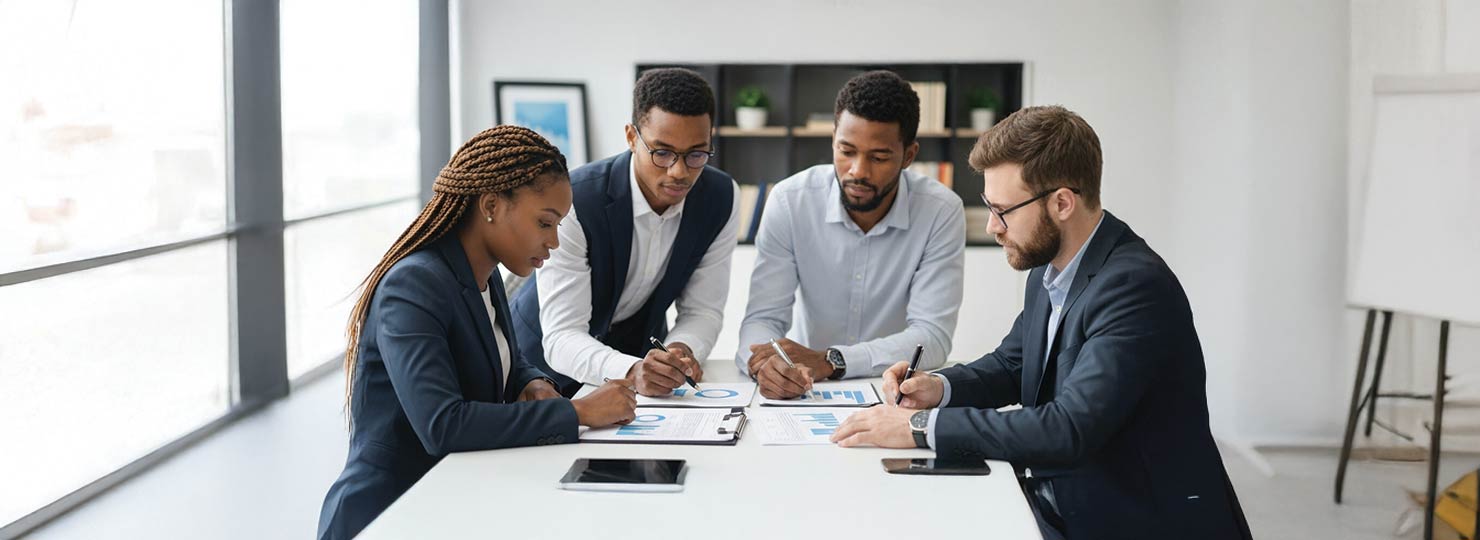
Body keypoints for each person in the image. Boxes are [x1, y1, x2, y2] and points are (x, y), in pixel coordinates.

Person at [830, 106, 1252, 540]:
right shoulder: (1050, 269)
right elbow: (1013, 365)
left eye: (1003, 210)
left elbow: (1069, 428)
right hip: (1064, 499)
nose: (993, 226)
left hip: (1138, 519)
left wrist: (919, 428)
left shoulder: (1134, 286)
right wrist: (937, 388)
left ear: (1062, 203)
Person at [318, 126, 637, 540]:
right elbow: (442, 424)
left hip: (450, 502)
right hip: (386, 514)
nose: (555, 241)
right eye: (545, 222)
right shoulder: (413, 285)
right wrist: (578, 412)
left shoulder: (485, 276)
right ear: (491, 205)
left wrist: (530, 379)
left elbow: (498, 352)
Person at [510, 68, 739, 397]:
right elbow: (562, 335)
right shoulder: (575, 198)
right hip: (540, 372)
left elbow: (703, 310)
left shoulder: (721, 198)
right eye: (661, 153)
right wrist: (631, 370)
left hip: (639, 376)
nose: (679, 171)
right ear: (632, 137)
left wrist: (681, 351)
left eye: (696, 154)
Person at [735, 70, 964, 399]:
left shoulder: (940, 211)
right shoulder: (790, 201)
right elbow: (763, 318)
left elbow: (932, 336)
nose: (858, 171)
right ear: (833, 140)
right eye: (846, 151)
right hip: (806, 390)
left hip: (893, 392)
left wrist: (831, 361)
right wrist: (766, 364)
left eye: (879, 157)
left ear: (909, 156)